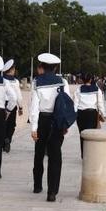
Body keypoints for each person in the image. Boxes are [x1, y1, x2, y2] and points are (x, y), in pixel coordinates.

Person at [30, 53, 71, 202]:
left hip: (43, 120)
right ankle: (52, 192)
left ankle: (37, 185)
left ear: (42, 66)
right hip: (57, 121)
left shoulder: (36, 82)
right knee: (55, 156)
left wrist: (33, 128)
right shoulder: (62, 82)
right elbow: (66, 104)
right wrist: (65, 124)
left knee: (39, 153)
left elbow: (34, 106)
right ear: (55, 67)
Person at [74, 73, 106, 158]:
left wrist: (74, 115)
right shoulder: (96, 89)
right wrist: (103, 114)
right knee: (92, 134)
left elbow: (75, 104)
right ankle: (91, 154)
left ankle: (84, 155)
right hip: (92, 113)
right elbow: (100, 103)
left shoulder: (79, 89)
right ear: (91, 80)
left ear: (82, 80)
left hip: (81, 114)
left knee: (82, 134)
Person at [2, 59, 23, 153]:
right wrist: (20, 107)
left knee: (3, 124)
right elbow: (18, 95)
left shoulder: (2, 80)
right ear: (11, 70)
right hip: (13, 105)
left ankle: (3, 141)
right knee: (12, 125)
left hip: (3, 104)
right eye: (14, 69)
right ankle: (8, 139)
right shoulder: (16, 81)